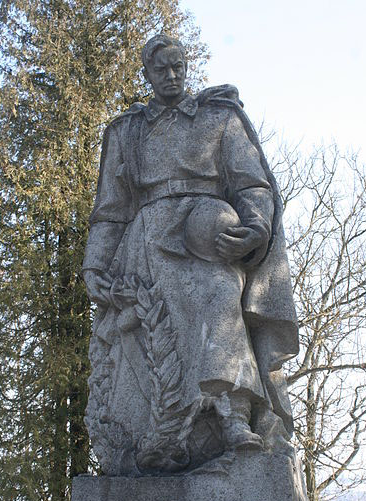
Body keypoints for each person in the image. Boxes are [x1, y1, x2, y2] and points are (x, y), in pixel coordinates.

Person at [82, 34, 299, 475]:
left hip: (207, 230)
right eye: (161, 68)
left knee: (220, 297)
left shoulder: (219, 118)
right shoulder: (126, 132)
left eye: (179, 66)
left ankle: (234, 417)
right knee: (151, 323)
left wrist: (255, 227)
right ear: (147, 72)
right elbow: (111, 210)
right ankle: (157, 437)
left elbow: (251, 184)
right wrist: (94, 263)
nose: (172, 75)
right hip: (145, 241)